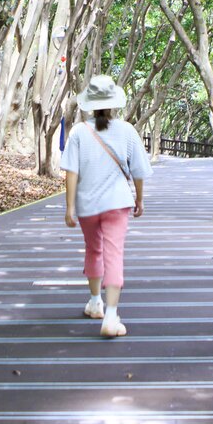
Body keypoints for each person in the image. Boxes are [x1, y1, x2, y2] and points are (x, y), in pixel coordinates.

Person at [62, 74, 152, 338]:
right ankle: (111, 317)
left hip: (87, 205)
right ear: (114, 103)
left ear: (89, 103)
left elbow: (71, 172)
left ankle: (95, 302)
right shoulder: (126, 130)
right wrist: (139, 198)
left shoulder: (79, 132)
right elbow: (138, 170)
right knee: (114, 255)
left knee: (94, 250)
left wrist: (69, 207)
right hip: (117, 204)